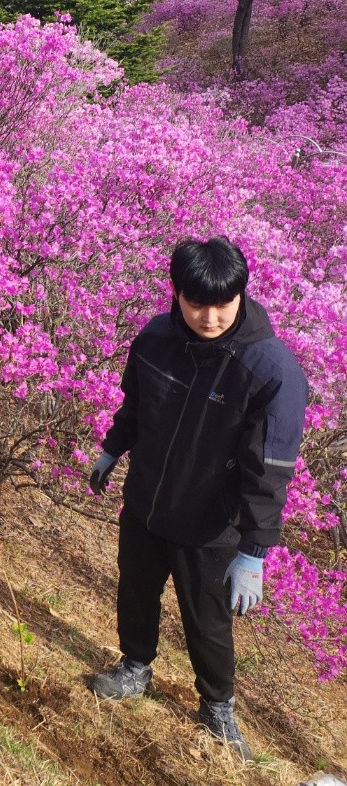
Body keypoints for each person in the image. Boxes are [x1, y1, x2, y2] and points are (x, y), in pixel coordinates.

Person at [87, 237, 307, 761]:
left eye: (222, 305)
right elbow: (135, 404)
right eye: (195, 303)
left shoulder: (270, 370)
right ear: (176, 294)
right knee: (136, 589)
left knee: (206, 618)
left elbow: (270, 467)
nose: (209, 317)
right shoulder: (158, 337)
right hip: (148, 500)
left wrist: (255, 550)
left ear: (241, 296)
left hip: (211, 523)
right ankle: (135, 666)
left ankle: (217, 705)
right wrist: (113, 449)